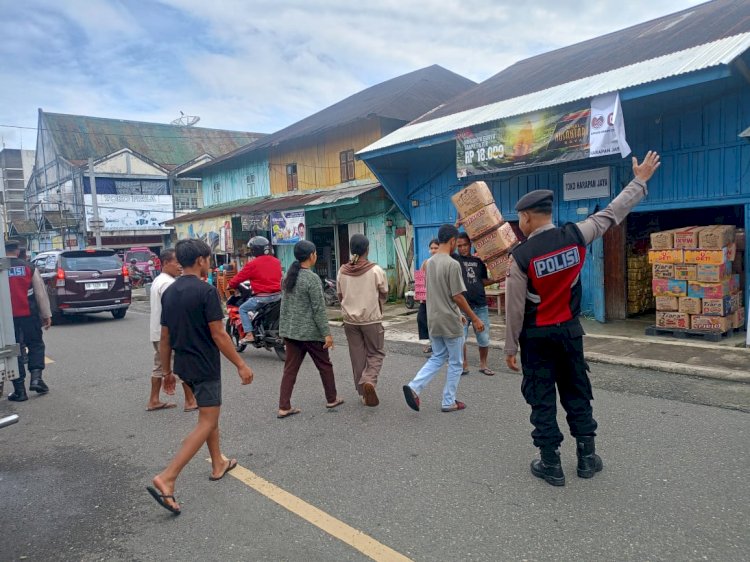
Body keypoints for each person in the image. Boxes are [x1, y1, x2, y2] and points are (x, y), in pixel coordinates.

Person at [505, 150, 661, 487]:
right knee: (577, 391)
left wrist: (509, 348)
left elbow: (514, 310)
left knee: (541, 398)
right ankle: (587, 459)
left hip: (536, 339)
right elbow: (611, 213)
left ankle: (551, 464)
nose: (519, 223)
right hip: (570, 334)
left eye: (520, 218)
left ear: (529, 218)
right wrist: (640, 181)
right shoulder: (576, 235)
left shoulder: (520, 257)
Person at [147, 239, 254, 515]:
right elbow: (219, 334)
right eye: (208, 259)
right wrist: (241, 364)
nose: (209, 263)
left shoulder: (169, 292)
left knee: (209, 415)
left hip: (183, 365)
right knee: (207, 421)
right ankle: (168, 477)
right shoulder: (206, 292)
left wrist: (168, 372)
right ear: (200, 261)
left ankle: (218, 461)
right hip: (204, 365)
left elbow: (165, 336)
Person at [402, 224, 485, 413]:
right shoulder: (452, 264)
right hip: (449, 321)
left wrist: (459, 314)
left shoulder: (428, 263)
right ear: (453, 241)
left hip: (434, 319)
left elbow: (437, 293)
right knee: (455, 362)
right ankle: (448, 401)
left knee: (438, 356)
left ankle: (414, 387)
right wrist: (474, 318)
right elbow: (456, 295)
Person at [277, 240, 343, 418]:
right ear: (312, 255)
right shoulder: (312, 279)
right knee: (325, 365)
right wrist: (327, 334)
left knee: (290, 369)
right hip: (311, 333)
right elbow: (319, 310)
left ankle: (284, 406)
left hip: (291, 332)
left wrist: (284, 330)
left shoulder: (288, 277)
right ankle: (332, 398)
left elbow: (284, 307)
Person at [337, 234, 388, 407]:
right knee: (376, 352)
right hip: (371, 319)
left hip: (350, 321)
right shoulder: (375, 270)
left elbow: (339, 295)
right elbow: (384, 292)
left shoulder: (342, 271)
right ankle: (369, 381)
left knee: (357, 356)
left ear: (352, 249)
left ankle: (362, 393)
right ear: (367, 249)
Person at [147, 249, 197, 412]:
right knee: (182, 364)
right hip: (169, 333)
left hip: (157, 332)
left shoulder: (159, 280)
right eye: (176, 263)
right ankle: (190, 400)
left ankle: (153, 400)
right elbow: (176, 311)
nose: (180, 266)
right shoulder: (169, 284)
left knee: (159, 365)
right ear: (166, 263)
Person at [5, 240, 52, 401]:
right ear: (17, 251)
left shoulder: (1, 268)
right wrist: (46, 315)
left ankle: (19, 390)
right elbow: (40, 293)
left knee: (14, 350)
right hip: (29, 315)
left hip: (6, 319)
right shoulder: (28, 267)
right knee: (35, 344)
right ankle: (36, 379)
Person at [228, 236, 282, 344]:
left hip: (262, 298)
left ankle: (249, 334)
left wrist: (230, 284)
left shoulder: (252, 264)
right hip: (278, 296)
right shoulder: (276, 261)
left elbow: (238, 278)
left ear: (254, 250)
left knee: (243, 309)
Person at [455, 233, 496, 376]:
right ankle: (464, 364)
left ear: (470, 245)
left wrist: (495, 280)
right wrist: (455, 226)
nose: (462, 248)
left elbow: (482, 281)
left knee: (484, 338)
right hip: (462, 307)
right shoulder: (454, 260)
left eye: (465, 245)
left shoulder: (479, 262)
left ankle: (483, 364)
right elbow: (444, 249)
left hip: (480, 306)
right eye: (459, 246)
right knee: (461, 338)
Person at [417, 239, 439, 354]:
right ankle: (433, 343)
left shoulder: (443, 263)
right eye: (432, 248)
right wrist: (421, 296)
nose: (434, 250)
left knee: (437, 323)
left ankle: (438, 346)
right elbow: (420, 280)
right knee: (422, 318)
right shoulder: (426, 263)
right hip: (427, 300)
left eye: (436, 248)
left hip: (439, 300)